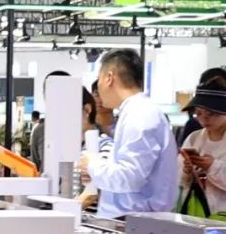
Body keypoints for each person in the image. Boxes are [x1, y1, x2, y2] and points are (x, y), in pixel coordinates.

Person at [79, 49, 178, 219]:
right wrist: (96, 172)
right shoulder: (134, 113)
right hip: (130, 220)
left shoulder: (140, 115)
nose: (98, 88)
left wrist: (93, 164)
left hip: (136, 222)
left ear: (109, 78)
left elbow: (130, 177)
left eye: (99, 78)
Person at [178, 79, 226, 215]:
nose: (204, 119)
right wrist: (187, 170)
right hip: (196, 212)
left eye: (211, 114)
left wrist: (212, 166)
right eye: (199, 113)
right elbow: (179, 181)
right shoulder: (194, 138)